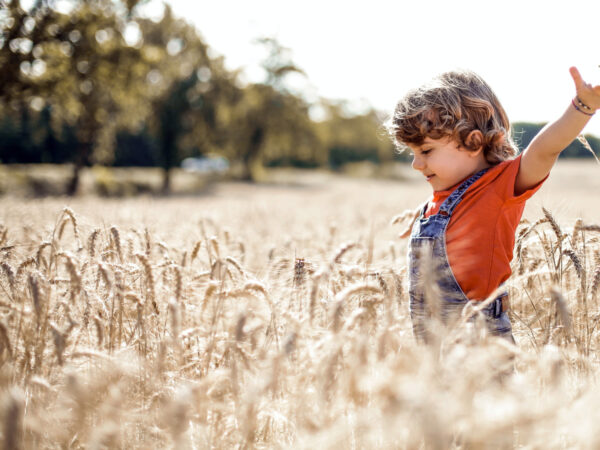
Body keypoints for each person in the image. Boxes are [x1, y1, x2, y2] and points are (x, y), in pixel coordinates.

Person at [387, 67, 600, 343]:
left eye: (426, 151)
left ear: (473, 141)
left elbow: (543, 150)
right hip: (432, 344)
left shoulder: (498, 189)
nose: (416, 164)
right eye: (413, 153)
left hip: (481, 342)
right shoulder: (439, 199)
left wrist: (582, 107)